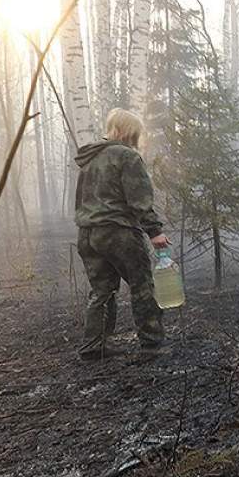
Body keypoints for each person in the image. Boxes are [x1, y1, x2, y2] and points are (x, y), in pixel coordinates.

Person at [74, 108, 171, 359]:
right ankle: (151, 345)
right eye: (135, 133)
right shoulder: (126, 156)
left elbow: (81, 201)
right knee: (142, 285)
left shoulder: (90, 159)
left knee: (102, 290)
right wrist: (155, 231)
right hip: (118, 232)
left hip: (87, 234)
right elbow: (139, 197)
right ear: (128, 132)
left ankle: (93, 346)